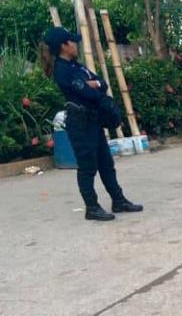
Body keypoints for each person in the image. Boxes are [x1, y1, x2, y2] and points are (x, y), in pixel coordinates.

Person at [40, 27, 143, 221]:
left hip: (93, 119)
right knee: (88, 167)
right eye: (72, 41)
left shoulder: (77, 67)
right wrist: (93, 87)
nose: (75, 44)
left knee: (106, 163)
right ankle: (92, 207)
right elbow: (88, 92)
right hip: (80, 121)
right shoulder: (62, 70)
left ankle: (118, 200)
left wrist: (94, 85)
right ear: (64, 46)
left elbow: (101, 83)